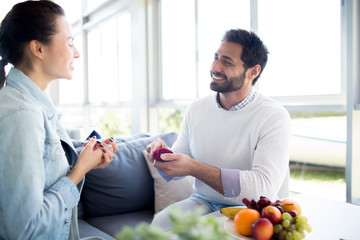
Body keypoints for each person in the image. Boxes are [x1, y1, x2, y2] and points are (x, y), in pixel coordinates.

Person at [146, 29, 291, 229]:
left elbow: (262, 188)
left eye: (227, 61)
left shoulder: (274, 116)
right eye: (216, 58)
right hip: (202, 201)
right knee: (160, 223)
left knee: (203, 232)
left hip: (251, 208)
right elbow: (179, 168)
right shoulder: (196, 109)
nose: (215, 67)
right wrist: (164, 157)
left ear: (253, 72)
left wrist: (194, 167)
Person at [0, 1, 118, 239]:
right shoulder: (22, 115)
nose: (76, 52)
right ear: (38, 49)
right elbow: (24, 230)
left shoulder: (33, 103)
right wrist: (80, 170)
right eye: (70, 42)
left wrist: (86, 161)